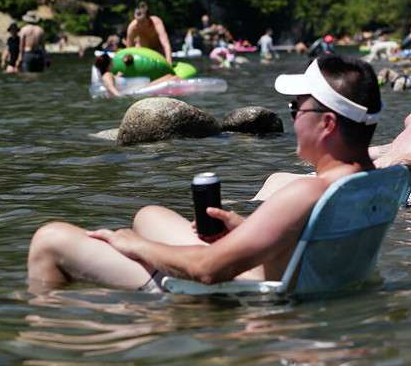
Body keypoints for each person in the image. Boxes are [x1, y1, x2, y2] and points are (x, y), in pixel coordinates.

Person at [27, 54, 382, 292]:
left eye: (296, 108)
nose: (291, 116)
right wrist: (247, 228)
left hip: (237, 297)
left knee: (49, 239)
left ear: (327, 124)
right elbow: (313, 244)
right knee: (148, 215)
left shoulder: (306, 191)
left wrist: (135, 245)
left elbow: (209, 270)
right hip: (302, 280)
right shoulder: (378, 181)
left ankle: (55, 329)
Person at [253, 21, 411, 202]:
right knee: (277, 180)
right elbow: (401, 146)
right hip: (387, 179)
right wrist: (350, 153)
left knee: (282, 186)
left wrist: (401, 161)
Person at [93, 53, 179, 97]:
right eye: (112, 62)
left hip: (141, 86)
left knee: (169, 77)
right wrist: (120, 96)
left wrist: (118, 76)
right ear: (108, 64)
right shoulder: (107, 75)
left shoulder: (109, 75)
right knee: (173, 78)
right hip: (140, 89)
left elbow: (112, 82)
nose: (113, 64)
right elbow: (110, 86)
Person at [125, 1, 173, 67]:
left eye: (142, 22)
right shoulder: (133, 27)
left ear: (148, 18)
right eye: (137, 21)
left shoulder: (157, 23)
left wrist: (169, 62)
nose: (139, 24)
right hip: (143, 52)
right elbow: (129, 48)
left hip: (158, 50)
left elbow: (166, 45)